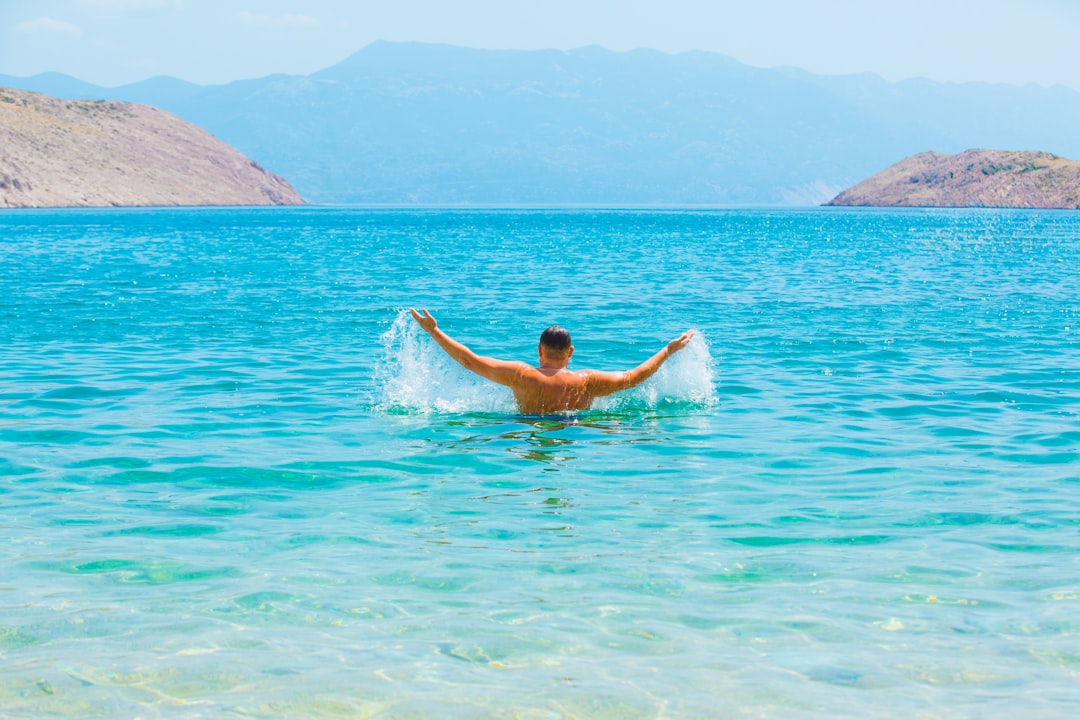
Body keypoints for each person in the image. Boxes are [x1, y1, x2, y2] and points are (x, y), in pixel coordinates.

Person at [409, 308, 694, 415]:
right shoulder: (588, 381)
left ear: (539, 350)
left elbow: (469, 360)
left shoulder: (520, 375)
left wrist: (434, 330)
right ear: (570, 352)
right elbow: (635, 376)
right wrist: (668, 350)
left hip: (526, 432)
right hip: (576, 435)